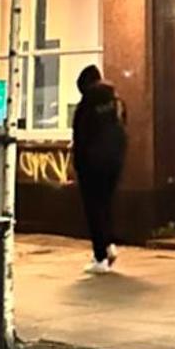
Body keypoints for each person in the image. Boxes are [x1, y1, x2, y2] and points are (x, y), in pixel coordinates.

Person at [71, 64, 127, 273]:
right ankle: (109, 244)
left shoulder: (86, 105)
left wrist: (78, 163)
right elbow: (123, 129)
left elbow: (80, 137)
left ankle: (100, 257)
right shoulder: (116, 101)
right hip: (114, 162)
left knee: (93, 209)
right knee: (106, 204)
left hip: (91, 165)